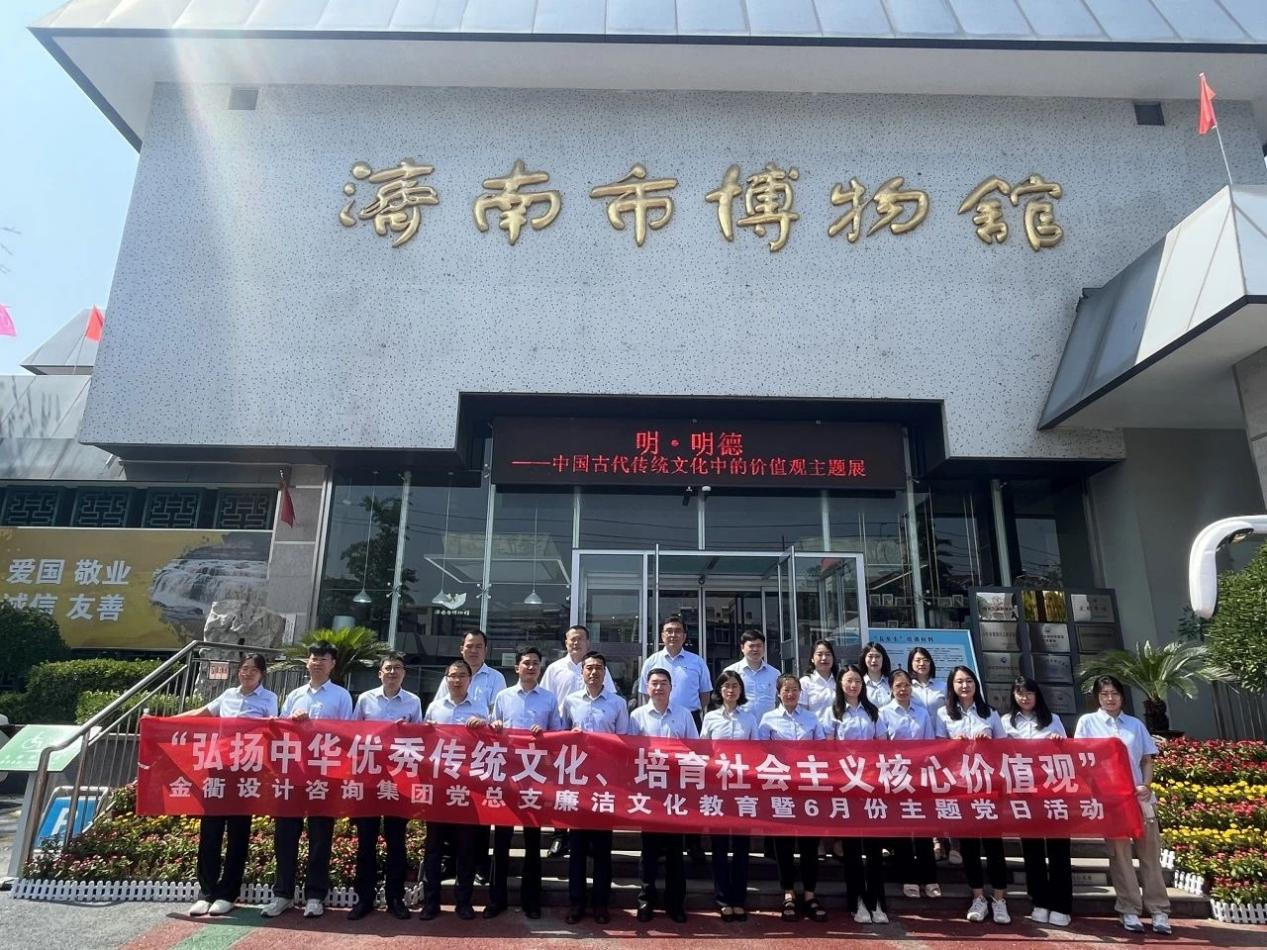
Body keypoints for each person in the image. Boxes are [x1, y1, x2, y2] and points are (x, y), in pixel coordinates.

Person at [177, 653, 278, 918]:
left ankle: (228, 893)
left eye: (253, 669)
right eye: (244, 668)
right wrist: (166, 722)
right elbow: (201, 714)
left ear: (262, 674)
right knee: (210, 831)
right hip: (218, 769)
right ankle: (206, 891)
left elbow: (273, 727)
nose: (247, 673)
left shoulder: (269, 699)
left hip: (245, 772)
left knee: (238, 833)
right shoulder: (228, 696)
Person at [1074, 674, 1171, 935]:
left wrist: (1146, 785)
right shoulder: (1088, 723)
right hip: (1112, 801)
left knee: (1150, 854)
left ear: (1122, 696)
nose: (1110, 698)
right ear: (1097, 697)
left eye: (1114, 693)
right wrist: (1096, 790)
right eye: (1104, 694)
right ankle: (1129, 909)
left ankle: (1159, 910)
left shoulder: (1135, 725)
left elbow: (1147, 759)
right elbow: (1081, 760)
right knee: (1120, 857)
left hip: (1140, 798)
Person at [263, 641, 353, 919]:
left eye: (324, 659)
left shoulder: (341, 696)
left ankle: (315, 895)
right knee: (285, 836)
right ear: (307, 662)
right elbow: (280, 730)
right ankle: (283, 894)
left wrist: (315, 727)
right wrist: (291, 720)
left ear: (332, 664)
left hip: (324, 776)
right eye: (314, 658)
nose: (317, 663)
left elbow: (347, 735)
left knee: (320, 837)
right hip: (293, 774)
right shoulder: (294, 695)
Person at [486, 646, 561, 920]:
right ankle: (497, 900)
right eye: (526, 663)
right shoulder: (504, 696)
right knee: (502, 840)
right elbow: (493, 729)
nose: (531, 667)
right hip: (507, 776)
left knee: (532, 841)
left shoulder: (549, 699)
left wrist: (545, 733)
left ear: (540, 668)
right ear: (516, 667)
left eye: (535, 663)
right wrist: (495, 727)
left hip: (535, 777)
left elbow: (558, 735)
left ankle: (532, 901)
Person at [348, 653, 421, 922]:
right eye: (388, 668)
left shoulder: (413, 702)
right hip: (369, 780)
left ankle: (395, 898)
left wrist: (407, 730)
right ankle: (364, 899)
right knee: (366, 842)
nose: (392, 672)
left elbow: (421, 740)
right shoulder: (365, 699)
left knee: (396, 842)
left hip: (398, 782)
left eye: (397, 668)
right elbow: (353, 735)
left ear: (404, 673)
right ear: (379, 673)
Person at [936, 665, 1010, 925]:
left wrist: (989, 742)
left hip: (988, 786)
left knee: (994, 845)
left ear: (976, 684)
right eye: (959, 682)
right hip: (960, 786)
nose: (964, 686)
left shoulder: (989, 713)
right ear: (952, 686)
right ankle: (978, 897)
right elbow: (936, 749)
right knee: (968, 846)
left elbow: (1005, 746)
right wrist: (951, 744)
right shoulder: (943, 714)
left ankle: (999, 899)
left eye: (968, 681)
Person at [560, 651, 630, 926]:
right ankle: (576, 903)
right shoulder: (570, 701)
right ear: (582, 673)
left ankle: (601, 904)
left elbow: (625, 743)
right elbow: (559, 738)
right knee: (576, 850)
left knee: (602, 850)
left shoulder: (617, 703)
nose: (593, 672)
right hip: (577, 785)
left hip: (605, 786)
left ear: (605, 672)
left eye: (599, 668)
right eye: (589, 668)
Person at [432, 629, 506, 884]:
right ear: (461, 648)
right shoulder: (450, 676)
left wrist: (483, 723)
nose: (473, 650)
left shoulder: (495, 678)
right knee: (450, 812)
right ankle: (451, 862)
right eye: (469, 646)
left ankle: (480, 865)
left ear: (486, 649)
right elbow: (438, 712)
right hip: (449, 760)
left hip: (479, 758)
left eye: (478, 646)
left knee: (479, 814)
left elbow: (498, 716)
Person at [420, 659, 487, 921]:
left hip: (467, 790)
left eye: (462, 676)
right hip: (438, 788)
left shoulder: (481, 709)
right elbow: (423, 744)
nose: (457, 680)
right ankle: (431, 902)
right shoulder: (435, 708)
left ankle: (463, 901)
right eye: (452, 676)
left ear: (470, 680)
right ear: (446, 679)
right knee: (434, 848)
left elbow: (491, 746)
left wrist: (482, 727)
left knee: (466, 848)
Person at [629, 667, 698, 924]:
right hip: (648, 793)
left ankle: (675, 903)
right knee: (648, 852)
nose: (658, 687)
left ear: (671, 687)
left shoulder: (684, 715)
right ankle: (646, 900)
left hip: (675, 793)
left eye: (663, 683)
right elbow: (629, 753)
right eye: (654, 683)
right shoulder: (637, 716)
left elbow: (696, 750)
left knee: (674, 852)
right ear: (647, 688)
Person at [540, 624, 615, 858]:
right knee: (562, 789)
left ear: (588, 642)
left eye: (580, 639)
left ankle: (589, 837)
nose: (576, 643)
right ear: (565, 642)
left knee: (589, 789)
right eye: (572, 639)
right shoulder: (554, 669)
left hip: (595, 745)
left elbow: (610, 697)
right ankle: (560, 836)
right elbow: (545, 700)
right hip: (563, 737)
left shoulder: (598, 667)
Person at [759, 673, 829, 923]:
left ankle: (810, 894)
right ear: (778, 693)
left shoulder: (811, 718)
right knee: (784, 845)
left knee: (809, 844)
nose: (790, 694)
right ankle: (788, 892)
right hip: (781, 789)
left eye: (795, 690)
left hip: (808, 789)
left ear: (800, 693)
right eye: (786, 690)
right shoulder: (768, 720)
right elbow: (761, 753)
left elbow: (822, 750)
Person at [1004, 676, 1072, 928]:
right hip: (1025, 792)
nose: (1025, 698)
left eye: (1029, 693)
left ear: (1037, 695)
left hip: (1054, 791)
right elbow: (1001, 755)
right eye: (1020, 693)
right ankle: (1039, 901)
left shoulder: (1053, 720)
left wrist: (1059, 745)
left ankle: (1062, 905)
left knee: (1058, 850)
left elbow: (1068, 754)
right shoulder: (1006, 722)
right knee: (1032, 850)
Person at [700, 670, 757, 922]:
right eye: (726, 686)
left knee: (742, 848)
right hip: (718, 789)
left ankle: (739, 899)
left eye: (735, 686)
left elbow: (757, 752)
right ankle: (723, 898)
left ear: (740, 690)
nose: (730, 690)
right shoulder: (710, 717)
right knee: (720, 847)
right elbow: (704, 752)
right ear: (719, 691)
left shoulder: (750, 717)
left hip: (743, 790)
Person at [878, 668, 940, 900]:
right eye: (898, 686)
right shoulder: (883, 713)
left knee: (923, 828)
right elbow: (882, 746)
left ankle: (930, 877)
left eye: (906, 685)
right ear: (891, 689)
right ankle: (908, 877)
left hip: (919, 775)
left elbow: (930, 743)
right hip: (895, 775)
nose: (903, 690)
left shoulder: (922, 713)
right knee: (902, 829)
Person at [832, 663, 887, 924]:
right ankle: (856, 902)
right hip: (845, 784)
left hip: (871, 783)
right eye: (848, 681)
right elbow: (827, 749)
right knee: (852, 847)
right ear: (841, 684)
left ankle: (877, 901)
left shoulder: (873, 711)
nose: (853, 685)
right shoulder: (832, 712)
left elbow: (883, 745)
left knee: (874, 847)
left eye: (857, 681)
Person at [907, 647, 952, 863]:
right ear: (911, 664)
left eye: (925, 659)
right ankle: (925, 839)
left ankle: (941, 839)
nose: (921, 663)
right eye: (917, 660)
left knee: (940, 794)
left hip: (942, 746)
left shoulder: (942, 686)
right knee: (919, 795)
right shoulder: (908, 687)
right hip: (916, 750)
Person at [639, 615, 711, 724]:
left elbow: (705, 694)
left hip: (691, 718)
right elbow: (645, 692)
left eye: (678, 631)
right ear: (662, 636)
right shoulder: (651, 662)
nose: (673, 635)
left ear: (684, 636)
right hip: (659, 718)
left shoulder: (697, 662)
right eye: (669, 631)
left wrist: (694, 712)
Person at [722, 629, 780, 719]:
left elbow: (780, 700)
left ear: (764, 647)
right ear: (742, 648)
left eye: (759, 646)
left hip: (767, 724)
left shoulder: (774, 673)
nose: (755, 649)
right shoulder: (731, 672)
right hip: (739, 724)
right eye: (751, 646)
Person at [798, 639, 838, 725]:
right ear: (812, 659)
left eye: (828, 654)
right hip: (814, 731)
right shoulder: (805, 682)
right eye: (819, 654)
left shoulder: (840, 681)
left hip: (839, 731)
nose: (824, 658)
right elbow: (801, 713)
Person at [860, 641, 893, 709]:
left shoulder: (891, 681)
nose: (874, 660)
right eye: (870, 656)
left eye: (877, 656)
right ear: (864, 658)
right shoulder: (860, 683)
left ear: (883, 659)